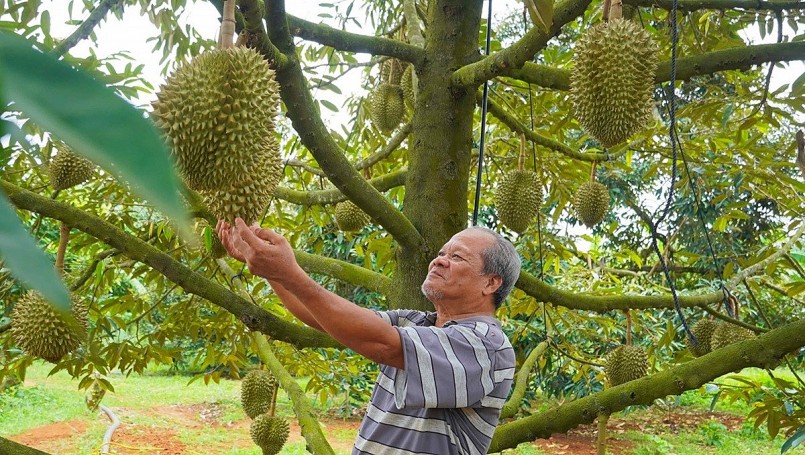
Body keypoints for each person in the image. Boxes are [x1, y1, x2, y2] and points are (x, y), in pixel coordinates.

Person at [217, 218, 521, 454]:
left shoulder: (487, 345)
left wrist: (290, 272)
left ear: (491, 283)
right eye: (441, 253)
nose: (439, 260)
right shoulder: (414, 322)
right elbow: (322, 316)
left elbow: (384, 344)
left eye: (457, 257)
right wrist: (269, 268)